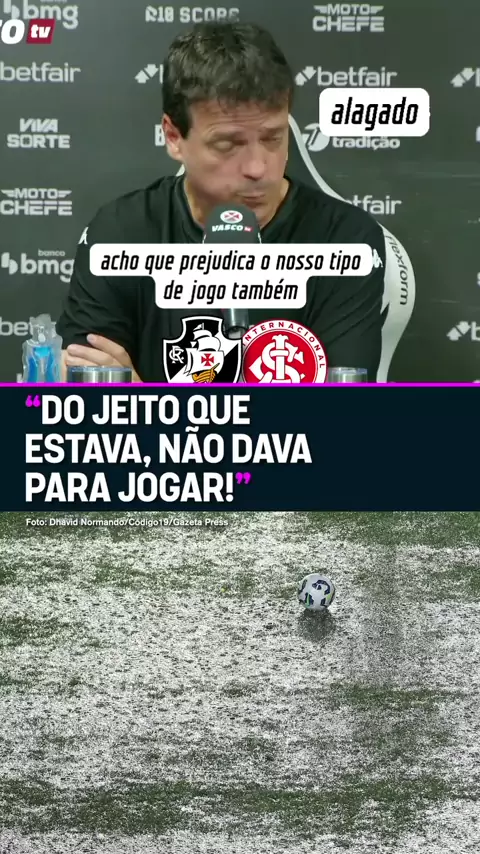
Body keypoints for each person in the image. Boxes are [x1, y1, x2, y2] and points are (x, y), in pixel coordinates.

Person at [57, 21, 386, 383]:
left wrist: (144, 399)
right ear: (173, 136)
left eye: (273, 138)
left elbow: (337, 411)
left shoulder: (346, 241)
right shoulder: (120, 233)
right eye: (229, 144)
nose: (258, 168)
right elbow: (88, 393)